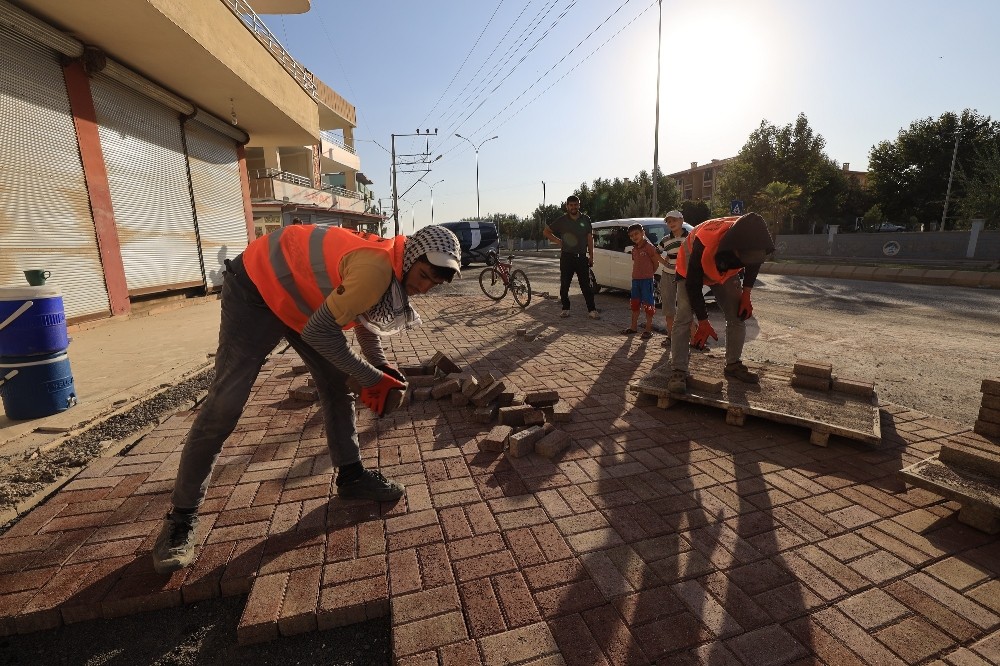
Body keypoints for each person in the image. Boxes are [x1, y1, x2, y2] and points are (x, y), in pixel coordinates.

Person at [152, 224, 461, 574]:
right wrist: (373, 379)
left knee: (335, 385)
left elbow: (362, 317)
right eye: (422, 276)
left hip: (303, 302)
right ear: (410, 258)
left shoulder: (392, 264)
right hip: (257, 289)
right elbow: (322, 330)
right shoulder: (376, 268)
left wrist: (380, 366)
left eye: (431, 284)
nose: (421, 287)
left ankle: (351, 476)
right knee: (226, 402)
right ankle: (181, 517)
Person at [667, 212, 774, 393]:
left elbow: (754, 263)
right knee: (684, 317)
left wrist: (746, 294)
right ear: (735, 248)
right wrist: (703, 321)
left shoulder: (753, 236)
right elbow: (693, 285)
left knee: (737, 315)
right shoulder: (706, 241)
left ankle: (733, 364)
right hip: (690, 268)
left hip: (725, 274)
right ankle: (678, 370)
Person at [543, 195, 600, 319]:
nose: (574, 207)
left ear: (579, 205)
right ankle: (565, 308)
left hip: (581, 257)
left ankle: (592, 310)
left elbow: (590, 238)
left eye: (576, 205)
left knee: (586, 286)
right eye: (571, 205)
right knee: (565, 285)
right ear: (567, 206)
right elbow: (546, 232)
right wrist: (558, 241)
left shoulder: (586, 219)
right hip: (567, 257)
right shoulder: (562, 220)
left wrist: (591, 256)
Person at [657, 210, 696, 349]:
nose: (671, 223)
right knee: (668, 307)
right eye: (668, 221)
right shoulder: (666, 239)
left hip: (685, 276)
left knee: (686, 307)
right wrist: (665, 262)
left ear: (681, 220)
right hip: (668, 275)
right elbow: (656, 252)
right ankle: (670, 337)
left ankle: (694, 339)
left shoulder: (691, 237)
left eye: (674, 220)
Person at [621, 223, 666, 339]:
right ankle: (633, 327)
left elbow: (655, 263)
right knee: (635, 304)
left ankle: (648, 329)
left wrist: (649, 274)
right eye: (631, 236)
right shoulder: (634, 249)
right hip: (635, 281)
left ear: (643, 233)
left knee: (648, 305)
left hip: (646, 281)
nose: (634, 237)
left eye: (636, 234)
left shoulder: (649, 248)